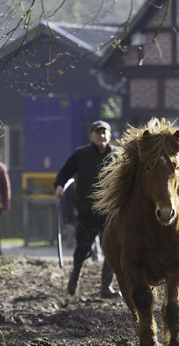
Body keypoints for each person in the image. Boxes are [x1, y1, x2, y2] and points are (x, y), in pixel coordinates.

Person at [54, 120, 120, 298]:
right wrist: (59, 185)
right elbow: (64, 172)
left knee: (112, 251)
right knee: (82, 248)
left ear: (110, 135)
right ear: (91, 136)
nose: (102, 135)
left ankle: (106, 287)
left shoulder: (118, 155)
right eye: (98, 133)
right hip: (87, 210)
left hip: (110, 213)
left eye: (105, 132)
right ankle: (75, 275)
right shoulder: (81, 154)